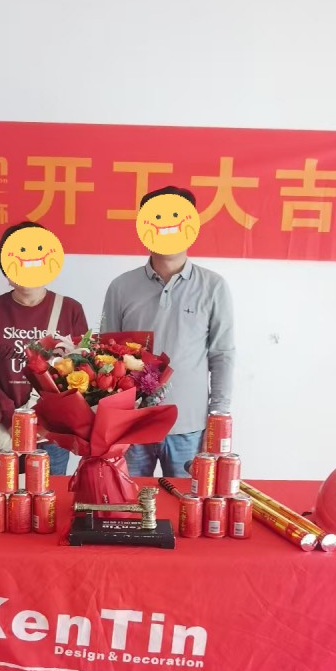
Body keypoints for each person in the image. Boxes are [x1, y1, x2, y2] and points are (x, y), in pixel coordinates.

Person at [101, 186, 235, 477]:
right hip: (133, 425)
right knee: (130, 501)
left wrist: (218, 417)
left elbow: (222, 355)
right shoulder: (121, 287)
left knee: (188, 502)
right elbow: (105, 356)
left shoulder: (213, 287)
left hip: (189, 426)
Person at [0, 221, 88, 474]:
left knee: (48, 496)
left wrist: (49, 419)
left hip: (50, 438)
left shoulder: (70, 310)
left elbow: (83, 369)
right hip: (0, 433)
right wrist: (10, 417)